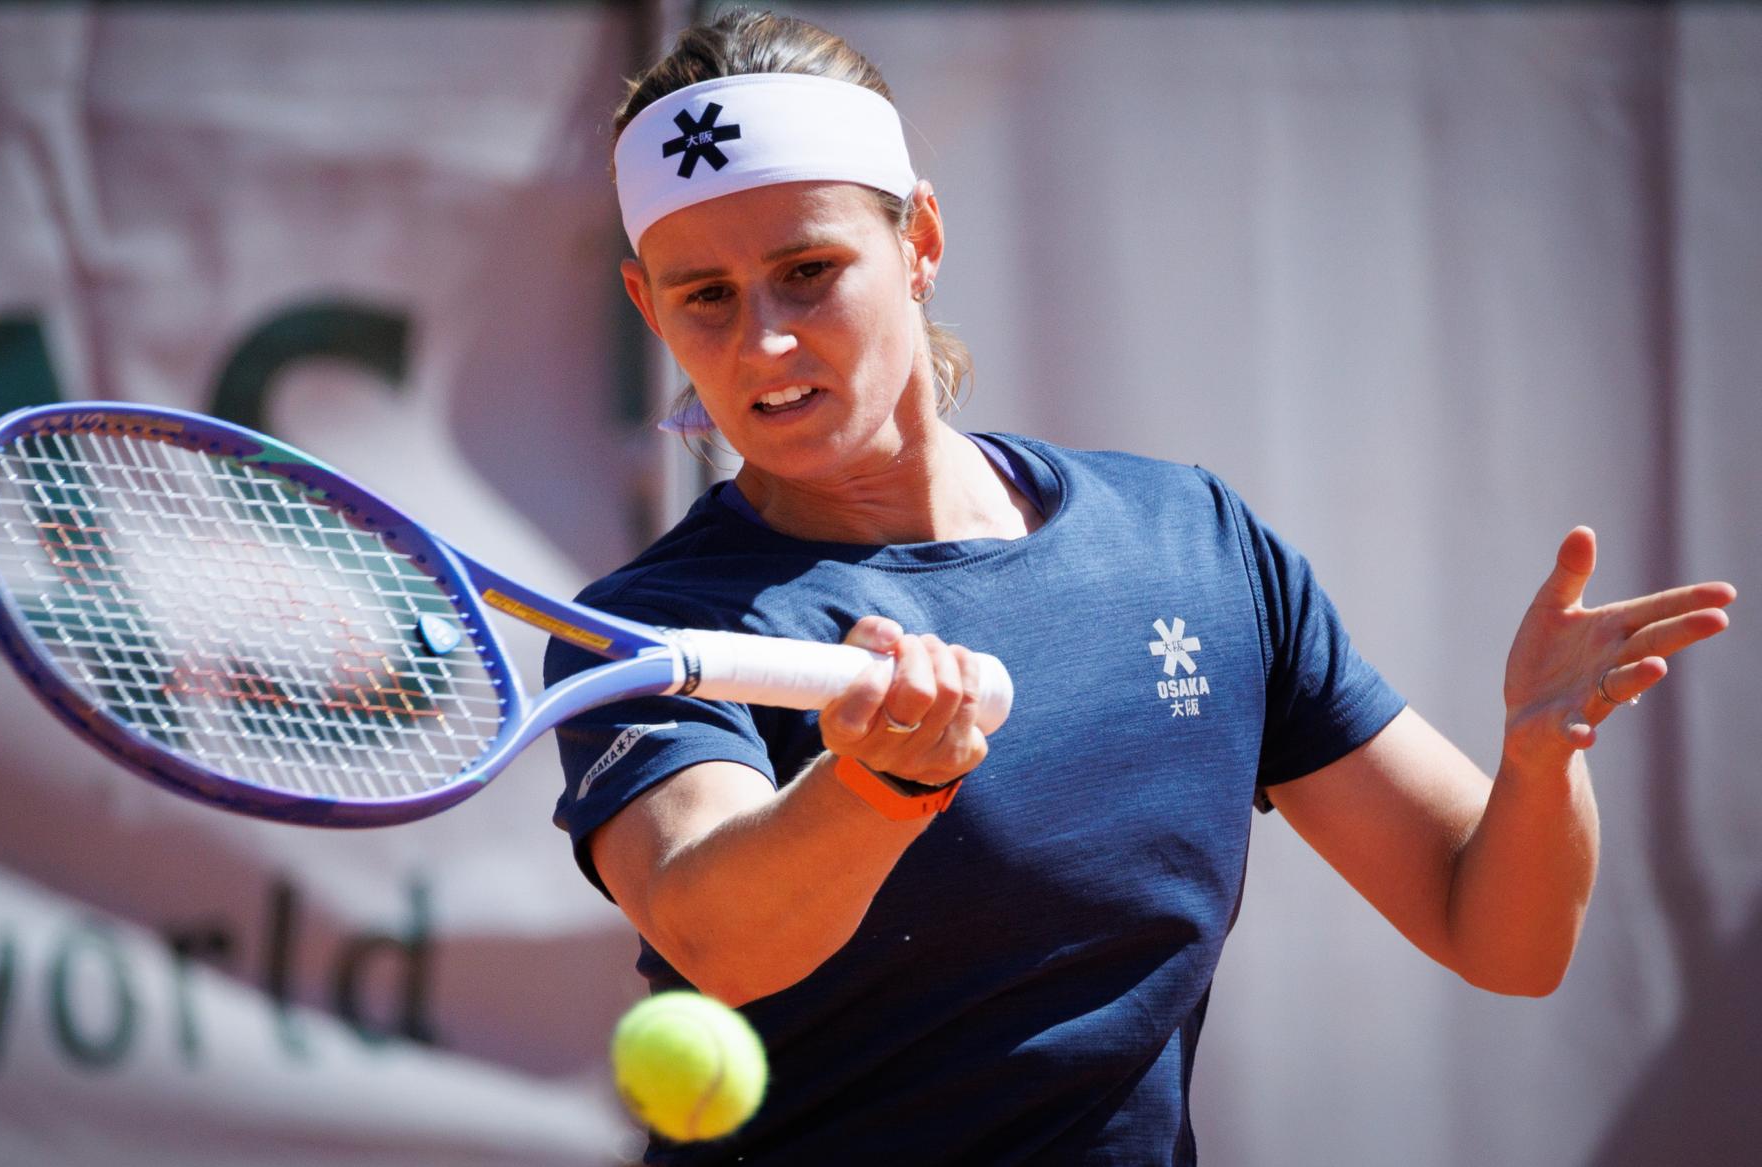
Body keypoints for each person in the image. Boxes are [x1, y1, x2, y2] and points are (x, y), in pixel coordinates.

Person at [544, 11, 1736, 1163]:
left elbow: (1505, 937)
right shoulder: (647, 625)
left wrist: (1538, 766)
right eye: (706, 294)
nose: (764, 343)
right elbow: (714, 931)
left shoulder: (1193, 540)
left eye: (809, 271)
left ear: (920, 244)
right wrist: (873, 789)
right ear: (649, 305)